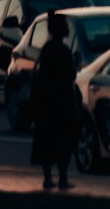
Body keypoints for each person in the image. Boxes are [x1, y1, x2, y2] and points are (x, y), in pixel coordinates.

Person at [30, 11, 78, 191]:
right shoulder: (62, 51)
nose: (67, 28)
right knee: (62, 142)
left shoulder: (47, 49)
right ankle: (62, 178)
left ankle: (48, 178)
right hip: (60, 104)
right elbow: (68, 76)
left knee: (47, 141)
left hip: (46, 104)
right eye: (64, 25)